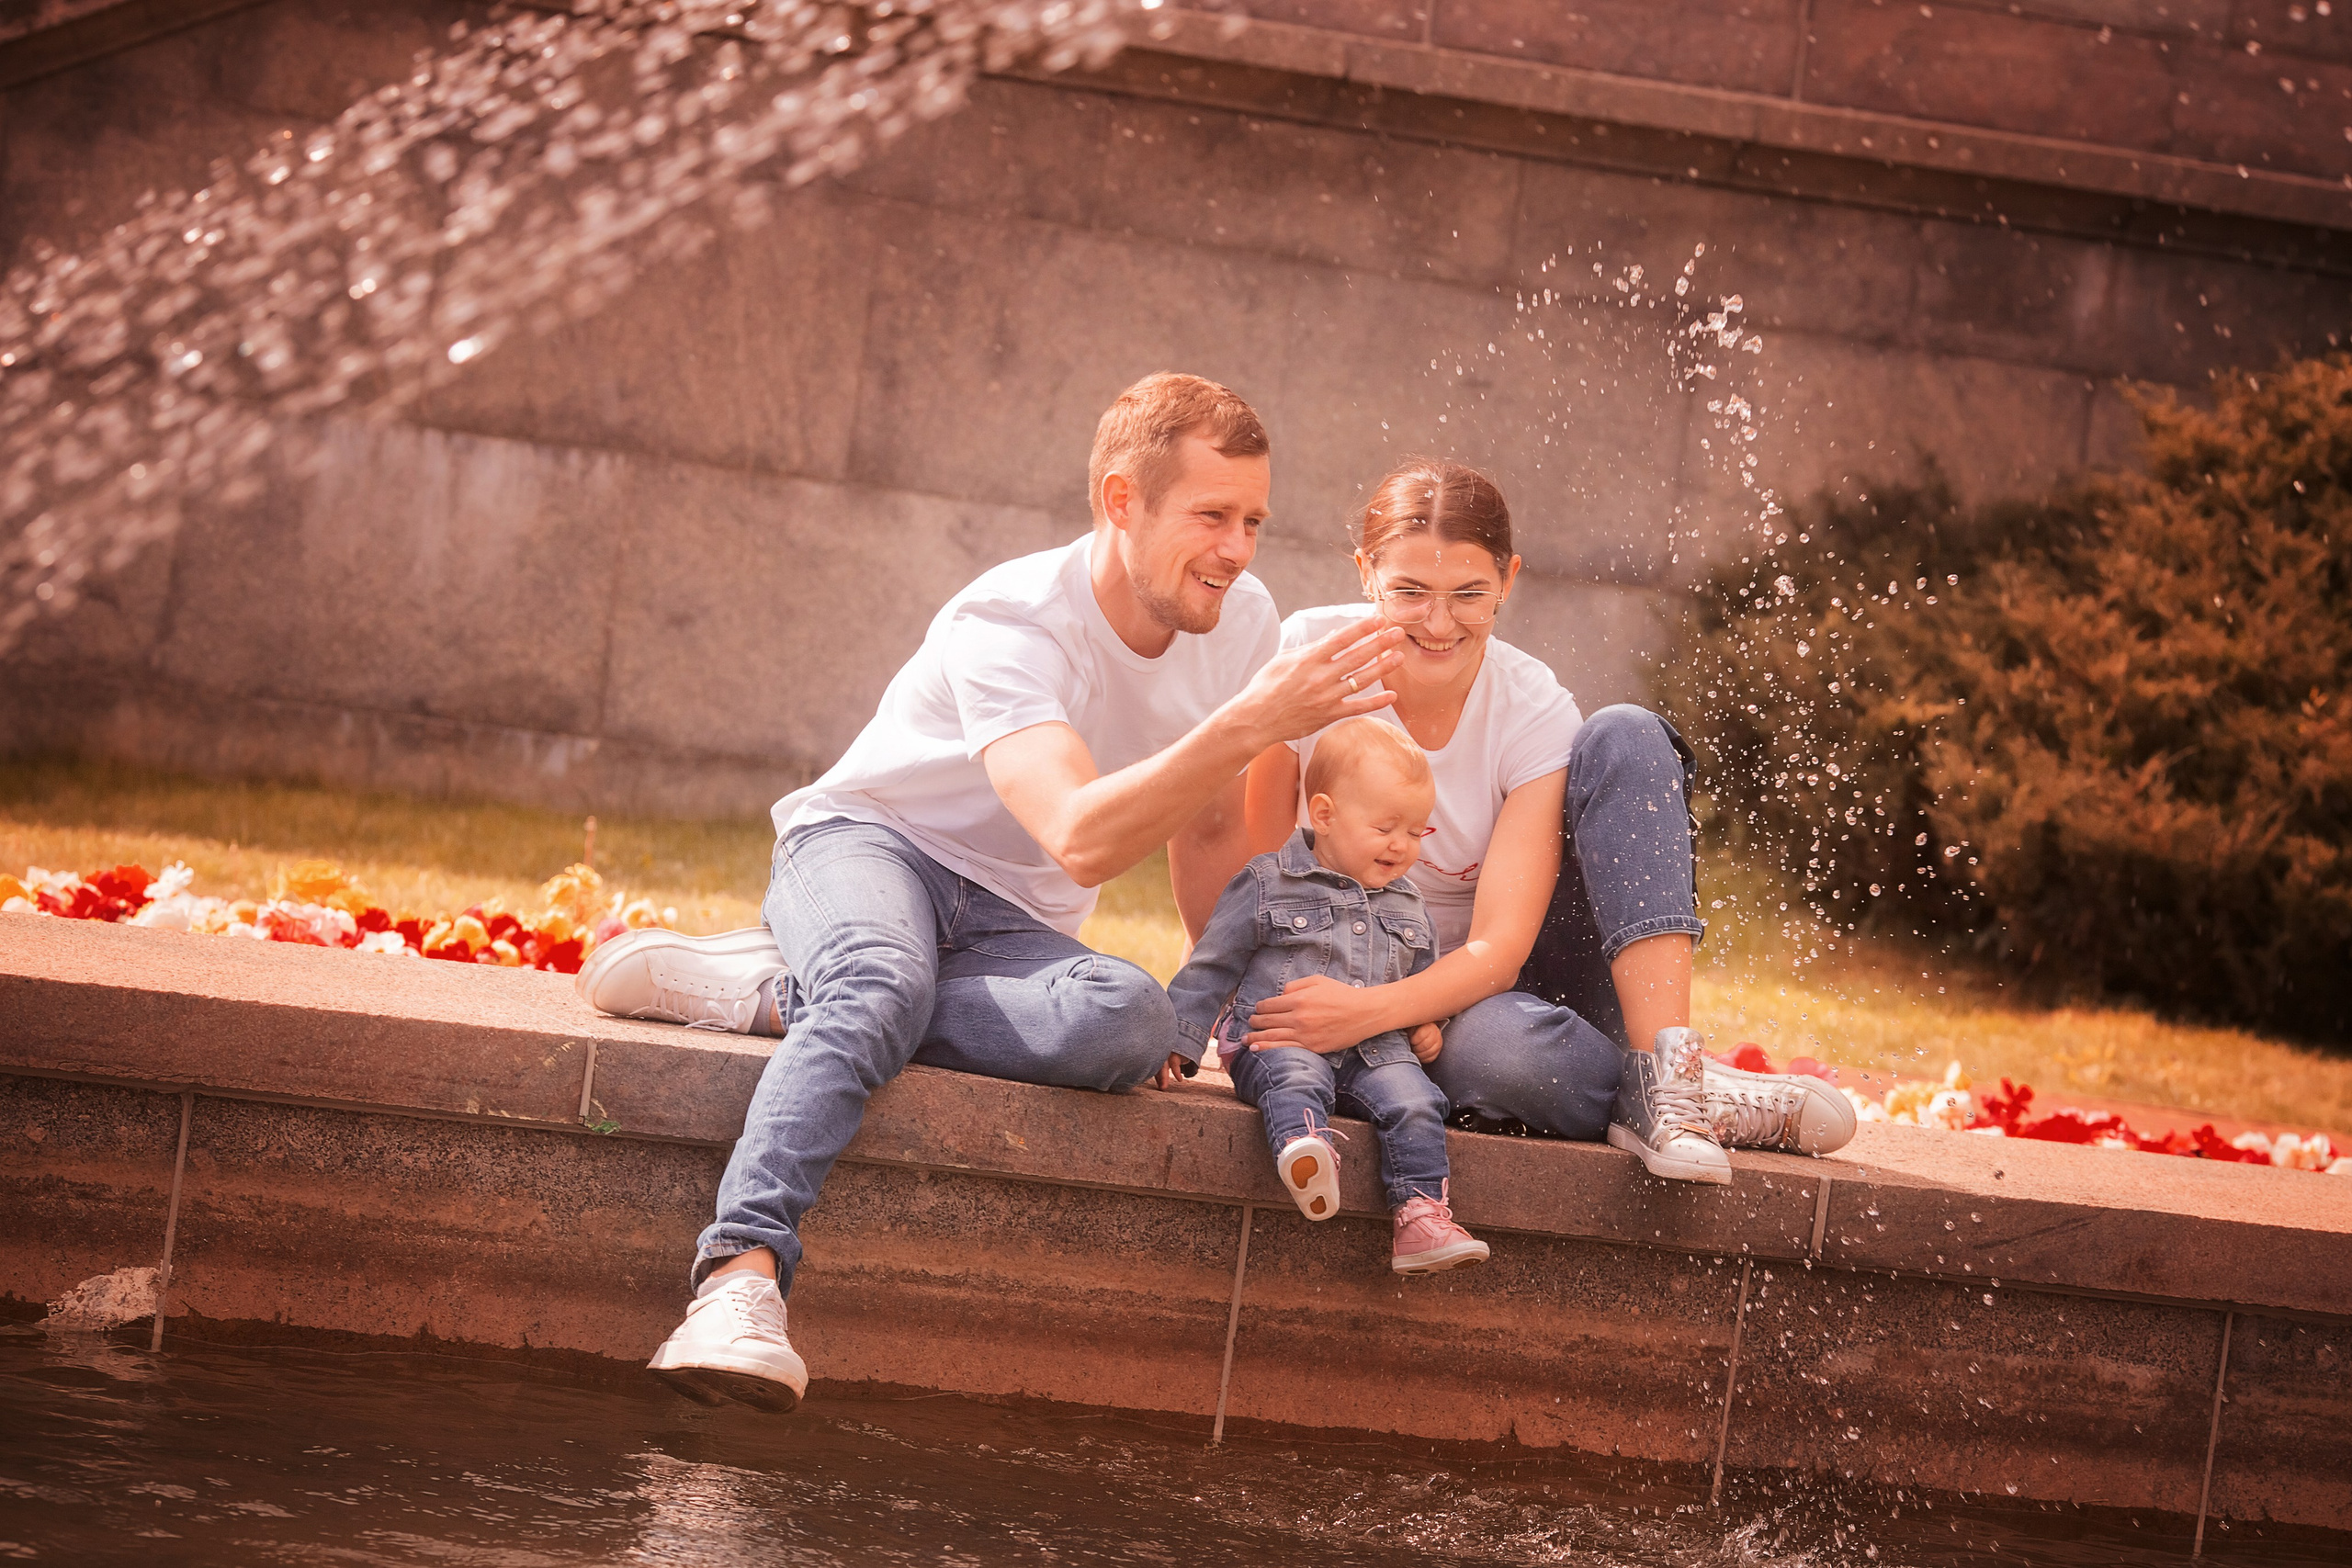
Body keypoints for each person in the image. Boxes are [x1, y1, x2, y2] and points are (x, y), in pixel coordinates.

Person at [574, 373, 1408, 1412]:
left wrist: (1237, 1002)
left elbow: (1203, 827)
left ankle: (789, 994)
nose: (1237, 550)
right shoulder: (1011, 620)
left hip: (1015, 924)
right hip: (873, 847)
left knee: (1131, 1015)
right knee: (882, 981)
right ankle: (735, 1282)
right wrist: (1251, 723)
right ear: (1121, 501)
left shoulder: (1239, 624)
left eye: (1254, 522)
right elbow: (1080, 836)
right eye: (1211, 516)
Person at [1238, 458, 1856, 1186]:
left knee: (1624, 731)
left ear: (1509, 578)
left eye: (1469, 594)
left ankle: (1669, 1071)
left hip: (1497, 987)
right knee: (1503, 1061)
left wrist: (1368, 1012)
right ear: (1365, 571)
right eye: (1409, 591)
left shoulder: (1531, 707)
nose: (1438, 622)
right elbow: (1262, 873)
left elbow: (1499, 950)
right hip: (1426, 1021)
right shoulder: (1309, 657)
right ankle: (1667, 1090)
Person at [1168, 716, 1488, 1275]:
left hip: (1375, 1052)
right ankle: (1306, 1150)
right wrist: (1180, 1036)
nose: (1402, 845)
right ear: (1324, 814)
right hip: (1278, 1039)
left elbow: (1422, 982)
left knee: (1417, 1101)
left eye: (1417, 832)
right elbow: (1214, 962)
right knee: (1296, 1077)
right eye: (1386, 827)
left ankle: (1422, 1217)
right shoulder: (1268, 882)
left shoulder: (1409, 905)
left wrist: (1426, 1025)